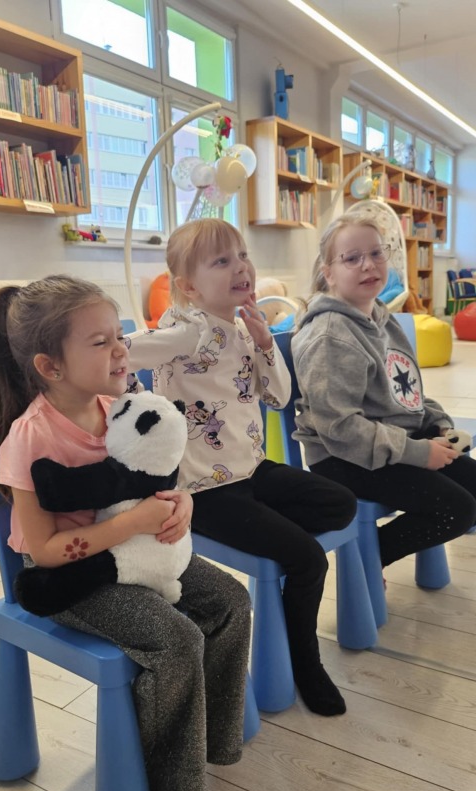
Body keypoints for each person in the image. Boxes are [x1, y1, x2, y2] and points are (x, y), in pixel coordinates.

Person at [0, 274, 251, 791]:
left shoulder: (120, 402)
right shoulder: (30, 437)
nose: (122, 349)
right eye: (101, 342)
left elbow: (161, 471)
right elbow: (44, 552)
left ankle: (212, 740)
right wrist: (135, 523)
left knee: (231, 601)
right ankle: (170, 776)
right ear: (51, 367)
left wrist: (182, 501)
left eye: (119, 335)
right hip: (69, 579)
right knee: (176, 640)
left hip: (139, 550)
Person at [126, 219, 357, 717]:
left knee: (341, 504)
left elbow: (279, 398)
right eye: (222, 261)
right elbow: (124, 353)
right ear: (189, 287)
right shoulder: (186, 330)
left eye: (242, 255)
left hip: (251, 470)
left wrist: (265, 342)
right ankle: (305, 663)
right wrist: (118, 372)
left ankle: (276, 540)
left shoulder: (241, 327)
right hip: (204, 492)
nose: (241, 268)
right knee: (309, 560)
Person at [291, 213, 476, 573]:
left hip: (391, 439)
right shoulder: (330, 335)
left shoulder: (381, 316)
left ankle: (371, 553)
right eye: (352, 258)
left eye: (376, 253)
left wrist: (439, 424)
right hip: (342, 458)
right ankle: (367, 560)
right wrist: (418, 453)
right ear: (329, 272)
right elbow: (339, 428)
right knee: (456, 508)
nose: (368, 265)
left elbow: (406, 392)